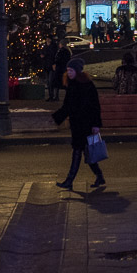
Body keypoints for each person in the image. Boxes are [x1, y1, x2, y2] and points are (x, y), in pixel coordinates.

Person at [52, 58, 105, 190]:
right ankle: (100, 176)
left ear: (77, 71)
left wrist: (96, 125)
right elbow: (67, 106)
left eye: (71, 70)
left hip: (86, 124)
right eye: (68, 70)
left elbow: (95, 106)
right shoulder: (71, 85)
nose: (68, 73)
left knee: (77, 151)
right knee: (88, 152)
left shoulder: (87, 85)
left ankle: (69, 181)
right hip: (77, 124)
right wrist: (57, 117)